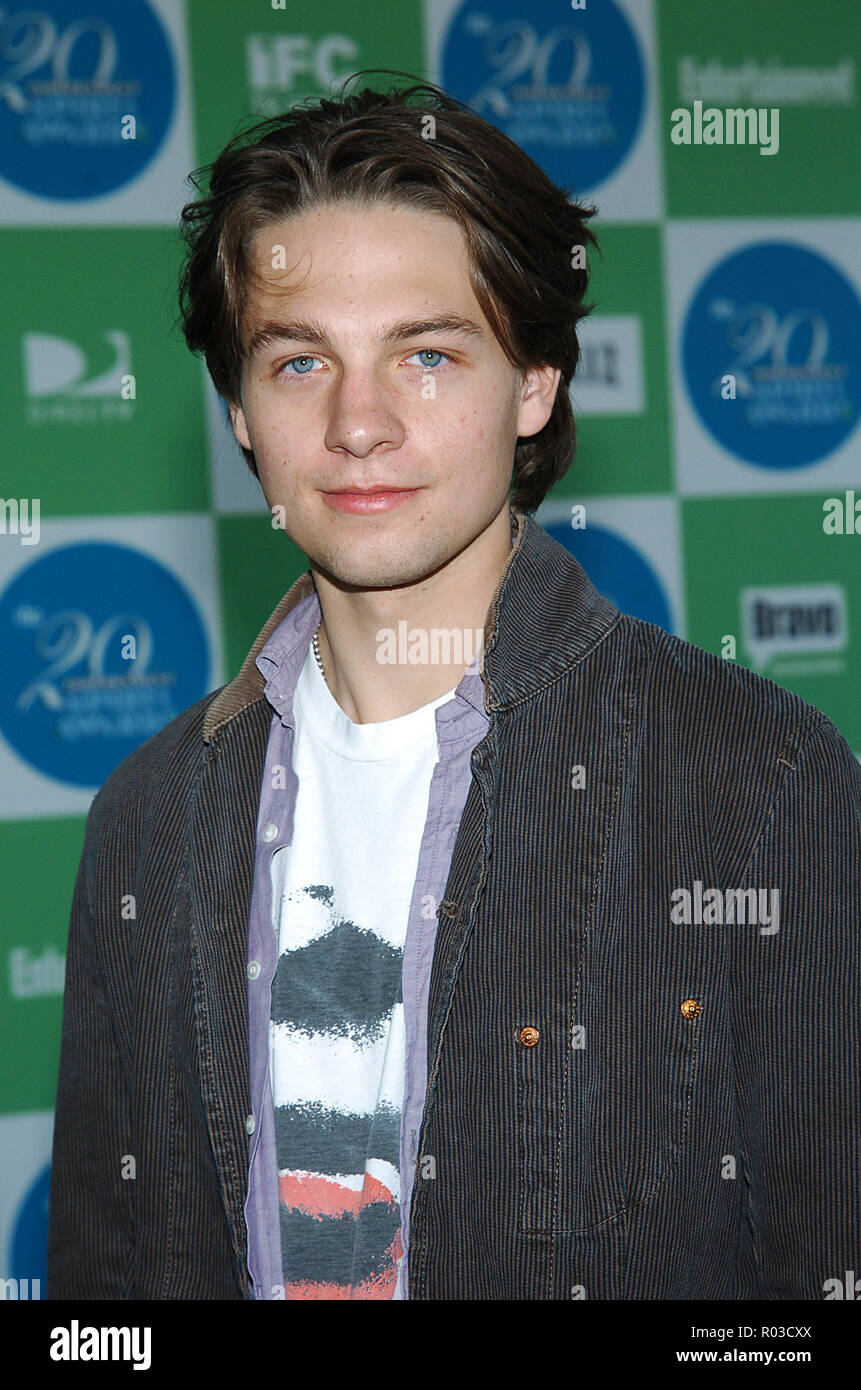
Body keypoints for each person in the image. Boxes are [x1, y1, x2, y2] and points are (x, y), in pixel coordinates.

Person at [47, 76, 860, 1301]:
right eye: (301, 360)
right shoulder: (145, 820)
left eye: (426, 355)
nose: (359, 423)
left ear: (534, 384)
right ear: (239, 413)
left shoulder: (760, 782)